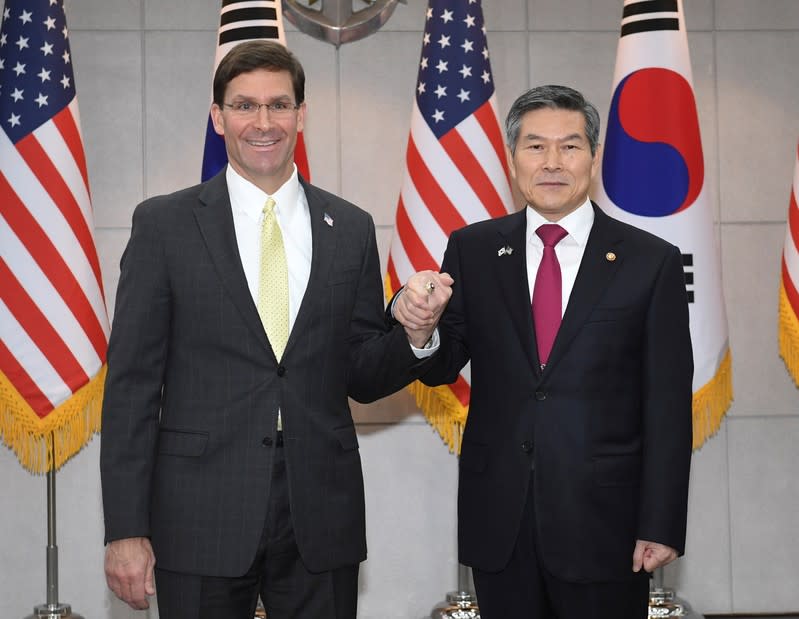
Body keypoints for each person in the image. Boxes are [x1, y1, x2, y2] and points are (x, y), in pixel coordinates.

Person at [100, 40, 448, 618]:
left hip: (320, 512)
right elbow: (132, 387)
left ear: (301, 115)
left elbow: (360, 373)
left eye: (279, 105)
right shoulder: (164, 225)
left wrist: (414, 335)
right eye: (244, 106)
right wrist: (126, 529)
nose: (263, 123)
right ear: (218, 117)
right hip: (199, 513)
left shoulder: (351, 227)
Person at [394, 84, 693, 618]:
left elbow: (668, 406)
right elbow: (444, 363)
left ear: (594, 159)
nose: (552, 162)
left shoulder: (651, 261)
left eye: (570, 146)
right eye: (535, 146)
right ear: (512, 160)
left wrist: (661, 523)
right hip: (500, 524)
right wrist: (422, 329)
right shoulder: (474, 249)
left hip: (608, 527)